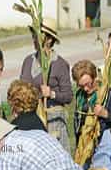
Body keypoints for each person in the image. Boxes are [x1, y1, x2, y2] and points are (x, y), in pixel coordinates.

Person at [20, 17, 73, 152]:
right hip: (31, 119)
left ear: (49, 39)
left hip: (53, 121)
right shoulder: (28, 61)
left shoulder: (60, 64)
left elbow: (68, 96)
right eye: (33, 35)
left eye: (36, 35)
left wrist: (51, 94)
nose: (33, 38)